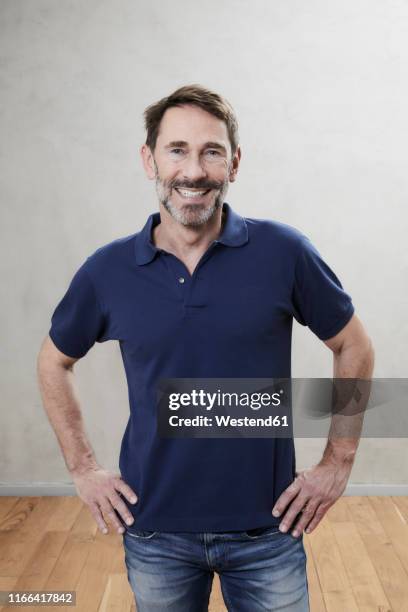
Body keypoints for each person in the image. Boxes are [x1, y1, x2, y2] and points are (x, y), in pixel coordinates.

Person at [37, 84, 374, 612]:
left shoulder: (284, 253)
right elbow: (54, 362)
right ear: (149, 159)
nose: (192, 171)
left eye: (211, 151)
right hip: (155, 532)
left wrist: (338, 461)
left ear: (233, 163)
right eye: (177, 149)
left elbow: (353, 345)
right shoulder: (108, 271)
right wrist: (82, 468)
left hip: (267, 530)